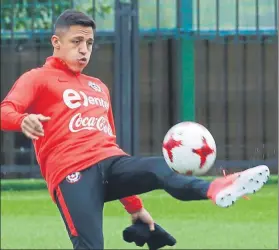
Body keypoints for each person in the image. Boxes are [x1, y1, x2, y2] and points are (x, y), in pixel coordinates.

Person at [0, 9, 270, 250]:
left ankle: (215, 189)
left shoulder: (98, 87)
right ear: (56, 43)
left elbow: (110, 145)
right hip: (72, 173)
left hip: (111, 162)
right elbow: (4, 111)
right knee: (90, 246)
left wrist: (136, 208)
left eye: (90, 43)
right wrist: (22, 120)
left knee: (161, 168)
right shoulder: (38, 78)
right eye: (76, 42)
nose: (84, 49)